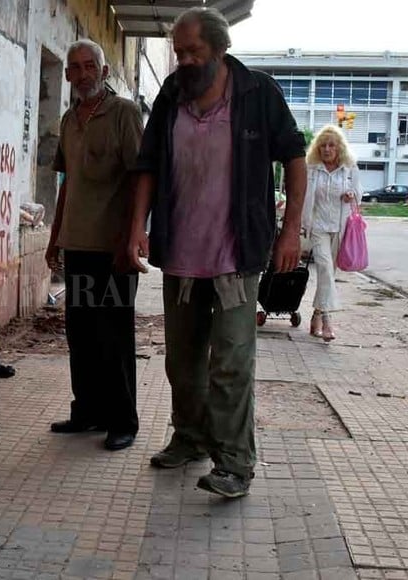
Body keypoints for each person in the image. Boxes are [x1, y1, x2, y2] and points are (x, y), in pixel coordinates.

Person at [124, 7, 307, 497]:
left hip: (235, 257)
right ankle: (190, 438)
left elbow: (295, 157)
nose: (184, 60)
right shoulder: (171, 93)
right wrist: (137, 226)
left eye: (194, 52)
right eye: (179, 52)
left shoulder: (257, 92)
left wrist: (290, 231)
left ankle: (234, 464)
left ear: (221, 49)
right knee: (182, 362)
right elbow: (148, 165)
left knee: (231, 362)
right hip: (181, 254)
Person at [45, 39, 144, 451]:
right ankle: (87, 411)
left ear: (103, 71)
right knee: (82, 335)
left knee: (113, 336)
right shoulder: (69, 120)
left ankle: (123, 421)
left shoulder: (124, 113)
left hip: (114, 249)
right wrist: (55, 237)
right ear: (68, 74)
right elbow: (67, 183)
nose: (83, 74)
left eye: (90, 66)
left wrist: (131, 238)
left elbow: (140, 178)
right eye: (75, 67)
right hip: (79, 246)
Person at [301, 125, 363, 342]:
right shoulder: (312, 169)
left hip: (340, 228)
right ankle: (327, 319)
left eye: (331, 145)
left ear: (339, 148)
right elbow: (304, 197)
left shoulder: (349, 168)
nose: (327, 149)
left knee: (328, 275)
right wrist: (301, 223)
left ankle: (316, 315)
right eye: (323, 145)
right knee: (325, 268)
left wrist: (351, 194)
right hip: (318, 227)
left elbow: (359, 193)